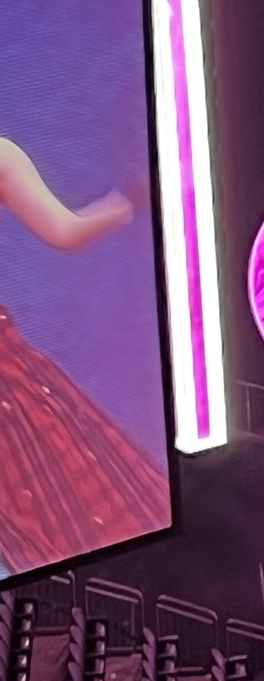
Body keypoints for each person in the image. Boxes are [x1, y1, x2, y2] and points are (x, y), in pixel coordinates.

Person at [0, 143, 163, 575]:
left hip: (9, 378)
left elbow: (65, 230)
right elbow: (65, 232)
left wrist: (129, 200)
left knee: (69, 501)